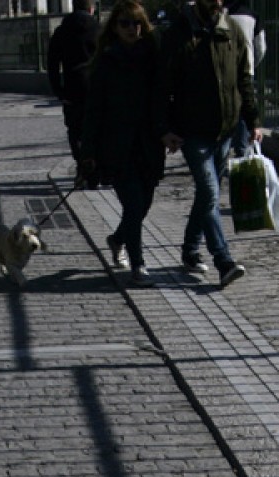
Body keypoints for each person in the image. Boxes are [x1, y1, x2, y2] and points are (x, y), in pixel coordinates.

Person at [155, 0, 261, 289]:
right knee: (210, 191)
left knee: (206, 197)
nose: (217, 3)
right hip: (193, 132)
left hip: (225, 130)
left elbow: (244, 79)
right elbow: (162, 86)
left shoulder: (232, 30)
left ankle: (190, 251)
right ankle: (223, 261)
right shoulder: (178, 33)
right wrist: (164, 128)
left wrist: (253, 119)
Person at [81, 0, 165, 287]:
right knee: (132, 204)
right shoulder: (106, 62)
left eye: (137, 23)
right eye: (126, 23)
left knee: (143, 206)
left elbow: (162, 101)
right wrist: (88, 152)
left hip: (149, 145)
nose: (132, 28)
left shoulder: (153, 58)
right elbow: (93, 110)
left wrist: (167, 130)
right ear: (115, 27)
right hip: (116, 147)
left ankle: (117, 240)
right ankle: (138, 265)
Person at [47, 0, 100, 186]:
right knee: (96, 130)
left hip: (72, 88)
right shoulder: (99, 29)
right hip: (95, 88)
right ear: (91, 8)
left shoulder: (62, 31)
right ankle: (95, 171)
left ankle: (82, 168)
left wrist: (58, 90)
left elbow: (52, 64)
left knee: (75, 131)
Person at [224, 0, 265, 157]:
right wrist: (252, 63)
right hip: (247, 69)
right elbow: (261, 46)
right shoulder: (253, 17)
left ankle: (225, 147)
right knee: (244, 107)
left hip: (224, 70)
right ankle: (242, 148)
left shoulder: (221, 15)